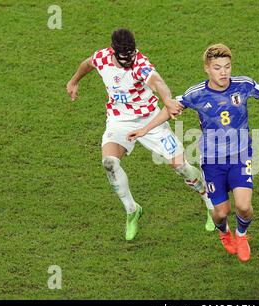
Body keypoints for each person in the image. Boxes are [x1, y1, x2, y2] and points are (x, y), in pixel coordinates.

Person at [127, 44, 259, 262]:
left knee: (244, 207)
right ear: (207, 69)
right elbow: (170, 107)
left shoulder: (243, 85)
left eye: (227, 67)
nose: (224, 72)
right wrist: (143, 129)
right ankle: (224, 232)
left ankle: (241, 235)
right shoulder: (197, 94)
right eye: (217, 67)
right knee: (220, 212)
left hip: (241, 155)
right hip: (212, 160)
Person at [66, 29, 215, 241]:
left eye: (131, 54)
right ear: (113, 51)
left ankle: (210, 203)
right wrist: (74, 81)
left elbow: (158, 82)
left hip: (150, 121)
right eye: (123, 55)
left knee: (181, 167)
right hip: (119, 121)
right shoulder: (103, 57)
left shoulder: (140, 64)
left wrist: (167, 100)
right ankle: (132, 210)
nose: (128, 59)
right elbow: (88, 63)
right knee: (109, 163)